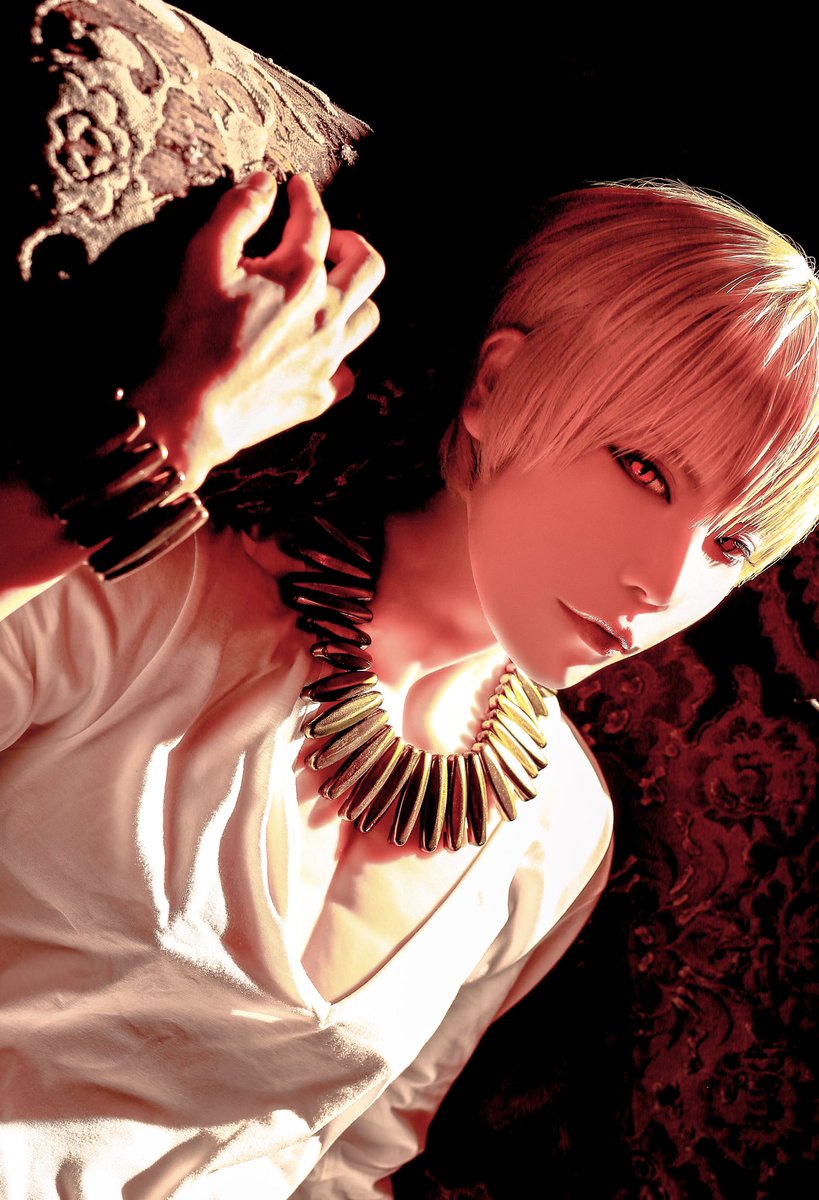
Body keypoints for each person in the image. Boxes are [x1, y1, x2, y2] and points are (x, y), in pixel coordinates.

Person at [1, 170, 816, 1199]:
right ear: (495, 387)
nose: (663, 583)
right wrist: (174, 436)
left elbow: (346, 1167)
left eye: (730, 544)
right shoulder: (143, 603)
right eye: (644, 469)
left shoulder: (559, 830)